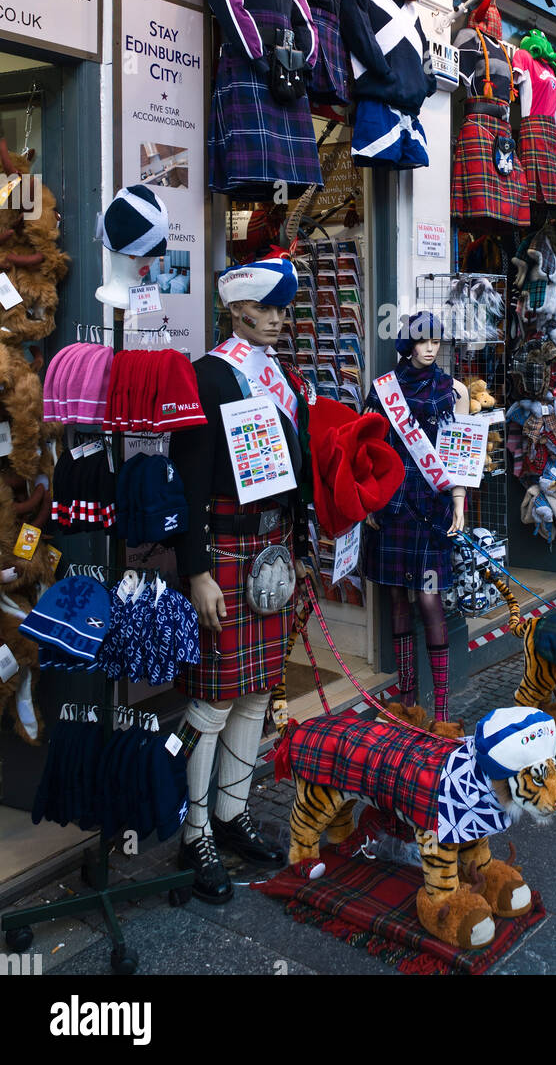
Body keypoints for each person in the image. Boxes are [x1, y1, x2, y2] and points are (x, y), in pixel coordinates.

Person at [169, 254, 310, 903]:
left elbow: (298, 477)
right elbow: (188, 482)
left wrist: (303, 548)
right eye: (271, 309)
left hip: (273, 548)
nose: (280, 320)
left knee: (257, 694)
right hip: (222, 550)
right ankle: (192, 829)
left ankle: (229, 815)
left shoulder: (282, 376)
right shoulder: (207, 376)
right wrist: (195, 569)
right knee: (214, 698)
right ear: (238, 310)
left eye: (285, 309)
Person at [361, 311, 468, 723]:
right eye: (422, 340)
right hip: (391, 504)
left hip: (433, 506)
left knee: (429, 600)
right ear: (408, 343)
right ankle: (407, 705)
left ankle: (440, 710)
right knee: (397, 600)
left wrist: (458, 498)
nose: (430, 348)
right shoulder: (383, 390)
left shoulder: (453, 390)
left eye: (436, 341)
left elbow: (460, 453)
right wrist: (370, 501)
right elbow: (368, 448)